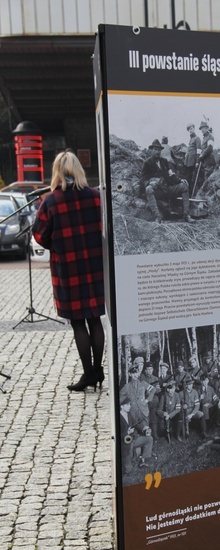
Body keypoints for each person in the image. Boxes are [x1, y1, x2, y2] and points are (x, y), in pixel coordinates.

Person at [32, 149, 105, 392]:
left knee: (78, 323)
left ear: (57, 172)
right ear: (79, 170)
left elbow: (40, 236)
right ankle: (98, 370)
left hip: (69, 271)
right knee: (95, 318)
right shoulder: (96, 197)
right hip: (95, 268)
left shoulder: (51, 200)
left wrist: (59, 242)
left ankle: (87, 374)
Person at [141, 139, 192, 223]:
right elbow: (143, 179)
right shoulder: (147, 163)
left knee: (184, 187)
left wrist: (180, 180)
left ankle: (186, 215)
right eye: (155, 150)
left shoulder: (164, 161)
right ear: (151, 150)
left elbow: (171, 175)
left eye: (158, 150)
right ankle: (158, 217)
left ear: (161, 151)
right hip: (158, 191)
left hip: (168, 188)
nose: (157, 152)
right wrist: (150, 183)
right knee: (148, 189)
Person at [120, 395, 153, 472]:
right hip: (124, 444)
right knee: (128, 470)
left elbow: (136, 424)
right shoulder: (118, 418)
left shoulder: (128, 414)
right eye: (127, 405)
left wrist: (143, 428)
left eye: (130, 404)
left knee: (149, 439)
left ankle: (143, 460)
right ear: (122, 406)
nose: (129, 406)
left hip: (133, 439)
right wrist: (126, 433)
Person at [184, 123, 201, 195]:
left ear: (194, 128)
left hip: (193, 161)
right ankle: (187, 193)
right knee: (188, 177)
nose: (190, 130)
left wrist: (197, 161)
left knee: (192, 178)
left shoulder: (197, 138)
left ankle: (192, 194)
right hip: (188, 162)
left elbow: (198, 150)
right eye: (189, 129)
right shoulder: (191, 139)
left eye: (191, 128)